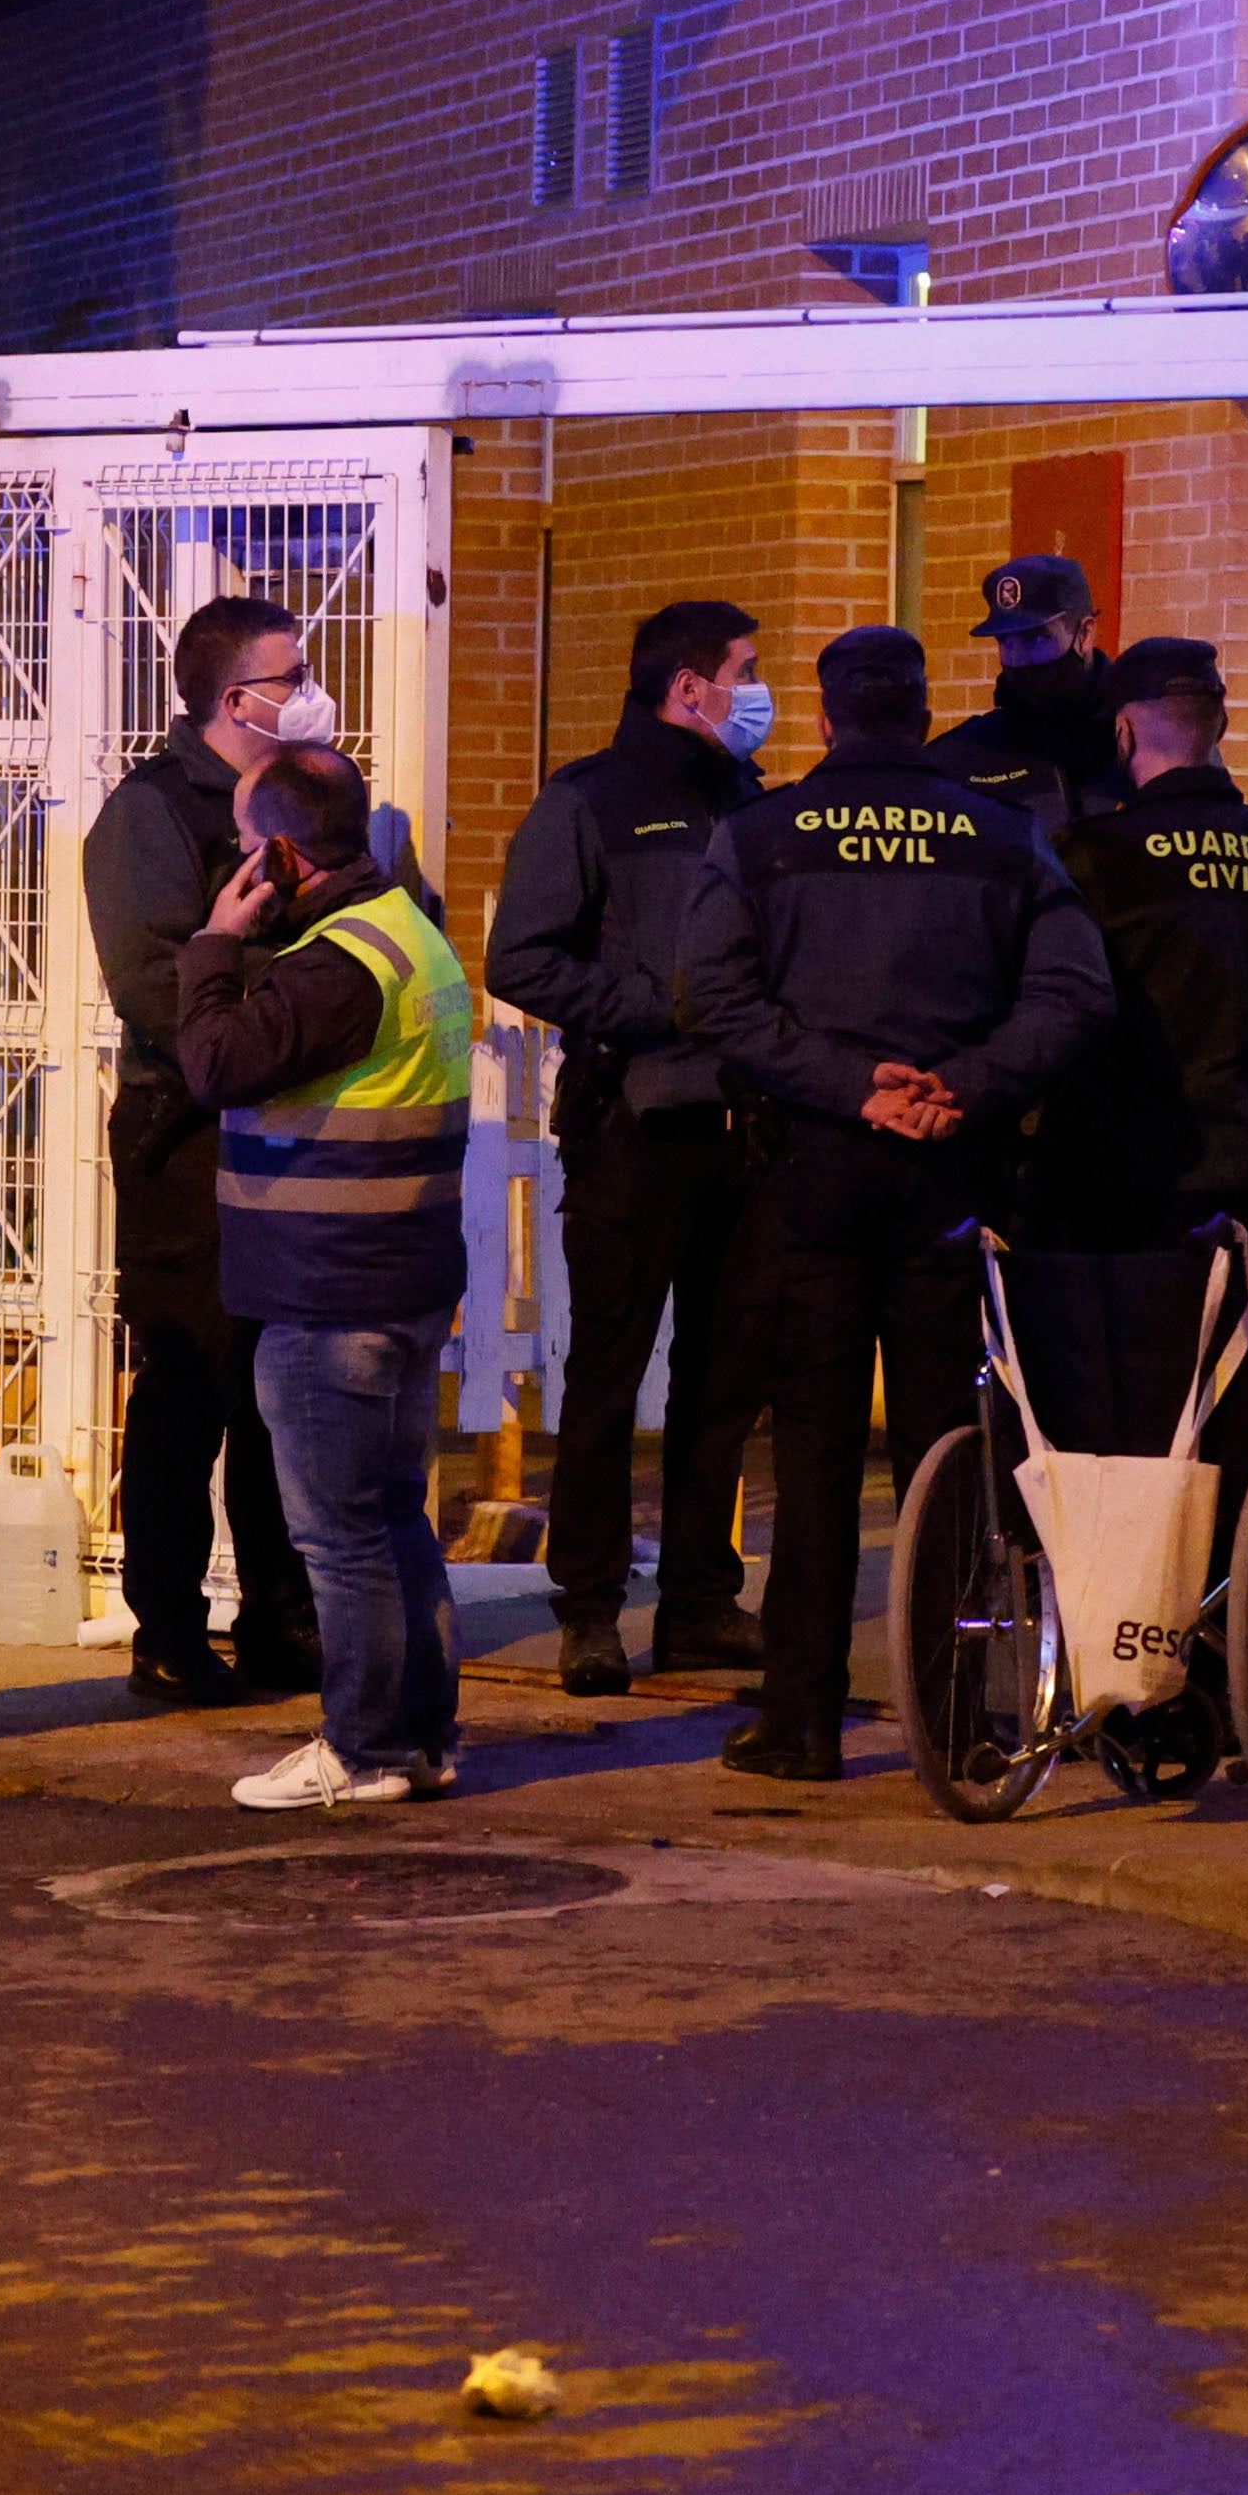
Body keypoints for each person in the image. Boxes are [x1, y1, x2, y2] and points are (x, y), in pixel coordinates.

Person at [678, 625, 1113, 1784]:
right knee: (948, 1447)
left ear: (825, 719)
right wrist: (961, 1087)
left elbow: (710, 995)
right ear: (924, 715)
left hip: (813, 1163)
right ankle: (960, 1718)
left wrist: (845, 1087)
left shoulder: (760, 836)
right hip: (950, 1169)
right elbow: (1075, 993)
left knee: (815, 1444)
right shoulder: (1006, 836)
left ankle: (803, 1721)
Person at [483, 598, 776, 1696]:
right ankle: (592, 1609)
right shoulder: (588, 802)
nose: (758, 691)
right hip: (633, 1125)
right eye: (743, 671)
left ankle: (701, 1600)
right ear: (689, 688)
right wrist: (660, 1010)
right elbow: (524, 958)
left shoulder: (749, 799)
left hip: (745, 1131)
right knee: (607, 1379)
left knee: (724, 1380)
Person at [174, 741, 474, 1811]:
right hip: (400, 1272)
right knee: (393, 1521)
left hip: (329, 1286)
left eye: (250, 850)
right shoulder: (408, 936)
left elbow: (212, 1063)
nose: (241, 867)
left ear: (284, 856)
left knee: (340, 1539)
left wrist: (214, 942)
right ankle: (421, 1738)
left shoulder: (337, 965)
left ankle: (364, 1749)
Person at [78, 594, 331, 1706]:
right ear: (237, 700)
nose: (314, 690)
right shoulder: (152, 812)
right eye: (296, 673)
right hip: (185, 1134)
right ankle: (168, 1632)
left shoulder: (294, 801)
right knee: (187, 1391)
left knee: (279, 1392)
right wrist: (274, 999)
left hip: (281, 1128)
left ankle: (284, 1620)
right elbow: (153, 985)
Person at [1037, 637, 1248, 1319]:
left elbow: (1057, 1014)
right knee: (1239, 1385)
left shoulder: (1090, 856)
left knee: (1131, 1387)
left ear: (1122, 730)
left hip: (1124, 1184)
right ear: (1219, 725)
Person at [928, 553, 1128, 834]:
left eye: (1035, 638)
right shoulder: (960, 756)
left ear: (1084, 634)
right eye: (1005, 642)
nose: (1017, 657)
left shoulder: (1142, 743)